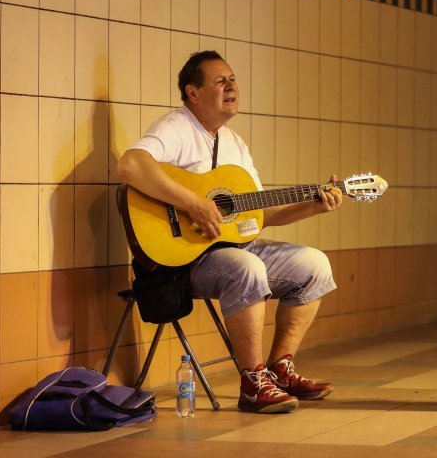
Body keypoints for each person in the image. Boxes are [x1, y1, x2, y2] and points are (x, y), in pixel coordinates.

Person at [117, 50, 342, 414]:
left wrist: (312, 205)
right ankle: (252, 382)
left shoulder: (235, 143)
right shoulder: (175, 127)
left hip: (233, 247)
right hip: (181, 262)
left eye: (233, 79)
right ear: (193, 92)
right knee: (245, 266)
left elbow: (259, 215)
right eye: (220, 81)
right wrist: (192, 202)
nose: (231, 86)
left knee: (314, 265)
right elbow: (130, 165)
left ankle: (279, 370)